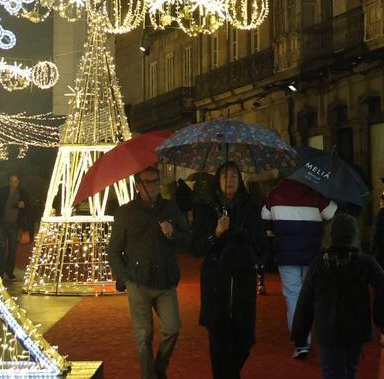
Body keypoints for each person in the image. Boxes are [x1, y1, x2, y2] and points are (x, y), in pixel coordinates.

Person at [107, 166, 191, 379]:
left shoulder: (170, 208)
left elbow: (188, 238)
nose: (152, 186)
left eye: (155, 181)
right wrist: (125, 279)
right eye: (147, 182)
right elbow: (114, 250)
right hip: (138, 281)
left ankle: (159, 369)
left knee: (172, 328)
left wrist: (173, 234)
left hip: (165, 280)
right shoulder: (125, 212)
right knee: (143, 337)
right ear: (138, 186)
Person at [291, 213, 384, 379]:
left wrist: (299, 333)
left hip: (328, 327)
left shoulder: (320, 264)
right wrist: (382, 319)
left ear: (332, 235)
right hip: (356, 326)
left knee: (332, 372)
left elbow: (305, 301)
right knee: (350, 369)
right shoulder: (364, 262)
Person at [192, 162, 268, 378]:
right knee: (218, 339)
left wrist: (253, 257)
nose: (230, 180)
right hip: (216, 283)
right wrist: (215, 233)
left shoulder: (251, 207)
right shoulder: (206, 208)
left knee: (244, 339)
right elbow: (195, 248)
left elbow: (262, 245)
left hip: (243, 280)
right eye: (225, 175)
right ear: (218, 180)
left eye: (234, 175)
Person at [261, 177, 337, 358]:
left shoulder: (275, 194)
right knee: (315, 295)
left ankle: (301, 342)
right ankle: (325, 336)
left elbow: (265, 218)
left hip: (286, 255)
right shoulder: (316, 194)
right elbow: (334, 213)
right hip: (313, 256)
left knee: (292, 296)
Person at [0, 173, 30, 280]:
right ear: (9, 181)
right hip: (2, 223)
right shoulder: (2, 192)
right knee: (2, 247)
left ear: (19, 182)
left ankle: (9, 271)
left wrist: (23, 206)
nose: (13, 184)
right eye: (11, 181)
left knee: (12, 249)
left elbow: (28, 208)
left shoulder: (22, 193)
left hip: (14, 224)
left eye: (15, 181)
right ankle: (1, 271)